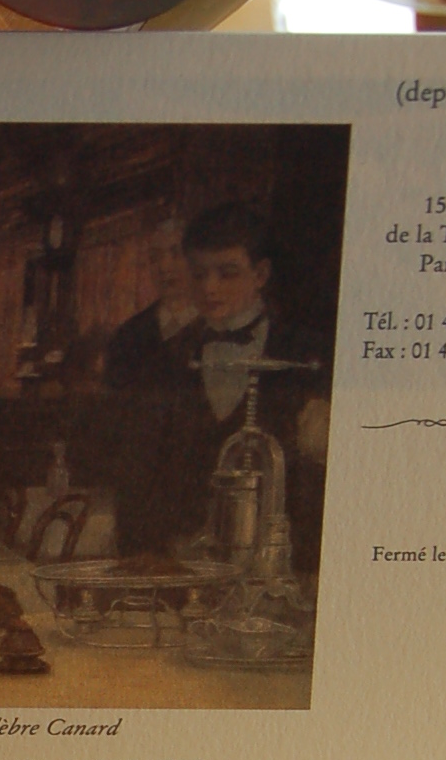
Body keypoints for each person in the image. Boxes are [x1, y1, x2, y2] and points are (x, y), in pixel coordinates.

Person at [88, 204, 329, 560]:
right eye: (199, 275)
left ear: (260, 274)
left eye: (227, 274)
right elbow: (138, 477)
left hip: (280, 562)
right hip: (185, 563)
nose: (209, 288)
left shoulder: (305, 356)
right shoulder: (165, 361)